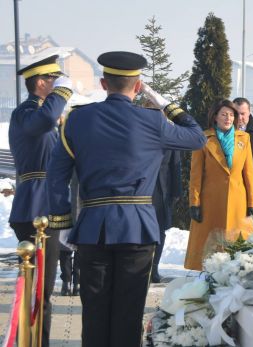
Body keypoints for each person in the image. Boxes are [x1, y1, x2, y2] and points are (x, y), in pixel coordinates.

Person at [46, 51, 206, 347]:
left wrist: (62, 223)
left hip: (92, 229)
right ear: (137, 86)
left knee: (94, 314)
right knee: (128, 314)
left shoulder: (76, 120)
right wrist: (162, 102)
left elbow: (56, 176)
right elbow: (197, 137)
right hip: (138, 229)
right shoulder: (152, 122)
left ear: (104, 83)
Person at [9, 54, 73, 347]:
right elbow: (47, 119)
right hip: (35, 207)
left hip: (46, 204)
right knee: (37, 290)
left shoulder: (38, 114)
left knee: (42, 291)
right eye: (53, 81)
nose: (57, 85)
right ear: (40, 82)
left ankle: (36, 341)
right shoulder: (27, 113)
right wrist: (63, 94)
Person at [185, 99, 253, 270]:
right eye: (224, 114)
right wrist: (194, 203)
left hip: (238, 204)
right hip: (211, 203)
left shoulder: (244, 139)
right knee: (210, 250)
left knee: (237, 251)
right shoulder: (203, 139)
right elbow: (195, 174)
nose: (228, 118)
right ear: (215, 117)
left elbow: (249, 174)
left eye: (232, 115)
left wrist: (252, 202)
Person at [150, 149, 181, 283]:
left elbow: (175, 165)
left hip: (161, 189)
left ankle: (153, 268)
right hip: (139, 189)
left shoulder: (169, 132)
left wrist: (176, 191)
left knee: (159, 231)